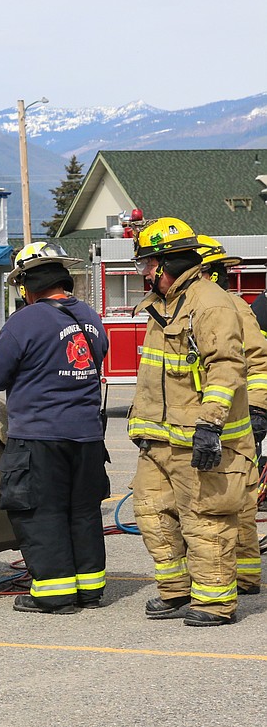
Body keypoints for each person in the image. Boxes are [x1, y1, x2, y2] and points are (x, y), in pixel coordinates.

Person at [128, 217, 253, 627]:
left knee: (206, 520)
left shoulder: (210, 303)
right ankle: (176, 591)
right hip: (158, 438)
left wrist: (210, 425)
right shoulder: (162, 307)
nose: (144, 272)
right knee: (151, 512)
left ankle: (215, 603)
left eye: (148, 264)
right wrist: (141, 424)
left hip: (199, 437)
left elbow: (226, 368)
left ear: (169, 264)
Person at [0, 241, 110, 615]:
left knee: (42, 512)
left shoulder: (26, 320)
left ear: (26, 286)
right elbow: (97, 359)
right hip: (87, 436)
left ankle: (54, 594)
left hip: (40, 436)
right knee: (82, 511)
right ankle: (89, 589)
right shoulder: (90, 316)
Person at [197, 236, 267, 595]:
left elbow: (258, 362)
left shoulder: (235, 308)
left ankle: (245, 576)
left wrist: (257, 409)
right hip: (208, 421)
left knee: (236, 502)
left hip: (235, 424)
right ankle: (237, 574)